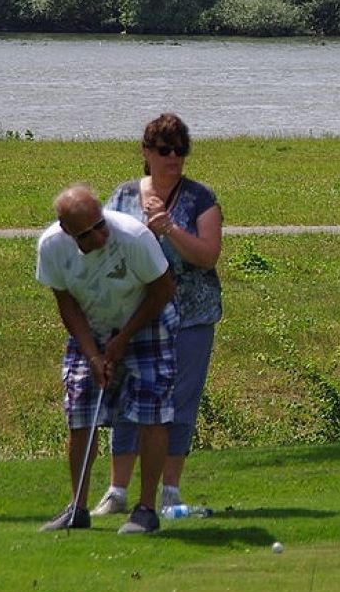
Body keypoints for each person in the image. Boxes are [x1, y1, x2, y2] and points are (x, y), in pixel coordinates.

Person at [91, 113, 223, 517]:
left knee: (179, 403)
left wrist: (169, 230)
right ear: (146, 153)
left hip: (190, 316)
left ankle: (169, 492)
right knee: (128, 400)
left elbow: (208, 256)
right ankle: (116, 491)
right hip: (135, 316)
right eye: (164, 150)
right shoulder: (123, 196)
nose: (173, 158)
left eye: (180, 150)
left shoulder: (200, 199)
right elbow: (100, 247)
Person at [35, 183, 179, 534]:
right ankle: (77, 508)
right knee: (80, 410)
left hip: (147, 320)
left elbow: (163, 289)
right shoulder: (51, 247)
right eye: (86, 234)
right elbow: (66, 303)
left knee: (151, 411)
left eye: (100, 225)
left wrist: (124, 338)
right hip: (92, 325)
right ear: (66, 230)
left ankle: (146, 510)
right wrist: (93, 354)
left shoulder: (133, 237)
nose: (99, 237)